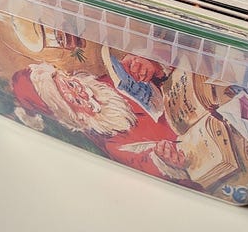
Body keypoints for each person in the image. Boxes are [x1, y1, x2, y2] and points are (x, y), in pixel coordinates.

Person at [12, 61, 190, 183]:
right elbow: (145, 163)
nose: (84, 93)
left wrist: (152, 66)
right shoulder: (115, 145)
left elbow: (169, 69)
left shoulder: (110, 79)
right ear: (76, 118)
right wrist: (163, 158)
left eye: (72, 85)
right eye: (76, 101)